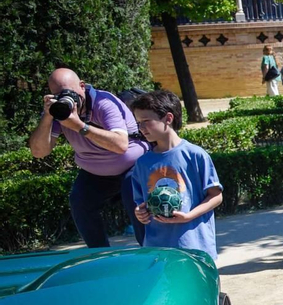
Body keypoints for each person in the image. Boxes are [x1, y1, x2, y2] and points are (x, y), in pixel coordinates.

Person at [26, 67, 148, 249]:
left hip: (132, 166)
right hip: (95, 172)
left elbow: (121, 145)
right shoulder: (59, 112)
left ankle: (149, 249)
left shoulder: (104, 102)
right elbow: (38, 152)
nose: (68, 99)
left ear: (82, 86)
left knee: (133, 194)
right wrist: (47, 117)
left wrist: (79, 126)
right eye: (59, 94)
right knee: (80, 201)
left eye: (71, 92)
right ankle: (99, 255)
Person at [129, 89, 223, 259]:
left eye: (146, 121)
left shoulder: (195, 155)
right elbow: (141, 204)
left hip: (194, 245)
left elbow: (216, 196)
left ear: (168, 118)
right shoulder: (142, 163)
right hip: (158, 248)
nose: (141, 128)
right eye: (138, 123)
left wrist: (188, 216)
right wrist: (140, 213)